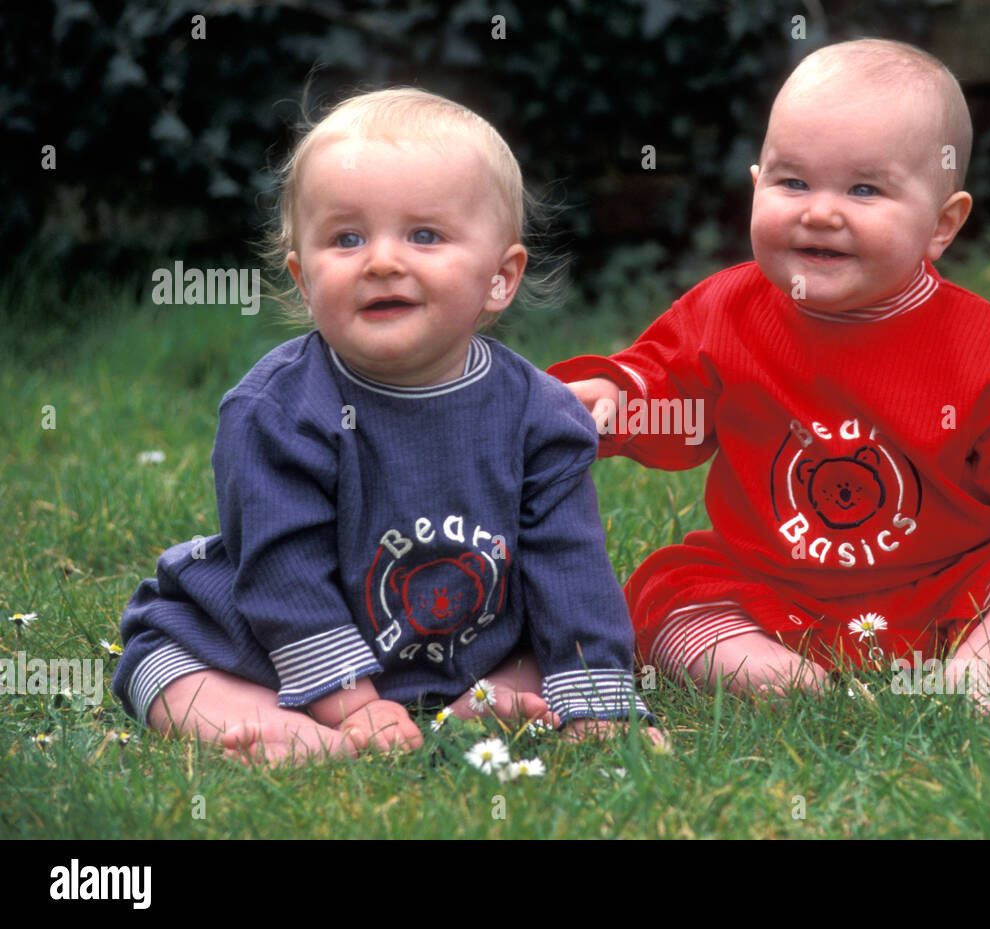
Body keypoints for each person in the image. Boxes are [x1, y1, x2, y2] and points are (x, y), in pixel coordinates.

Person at [551, 39, 990, 707]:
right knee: (673, 600)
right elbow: (670, 394)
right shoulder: (725, 311)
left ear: (942, 224)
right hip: (776, 580)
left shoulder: (985, 343)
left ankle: (973, 679)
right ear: (756, 187)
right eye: (792, 182)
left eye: (864, 188)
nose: (819, 211)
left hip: (960, 572)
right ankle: (792, 685)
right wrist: (615, 399)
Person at [112, 88, 655, 764]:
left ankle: (470, 702)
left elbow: (569, 567)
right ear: (304, 278)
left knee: (543, 661)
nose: (382, 260)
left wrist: (597, 702)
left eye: (424, 235)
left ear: (500, 277)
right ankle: (304, 736)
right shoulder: (276, 411)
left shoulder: (539, 414)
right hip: (269, 645)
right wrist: (353, 701)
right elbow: (286, 572)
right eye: (346, 238)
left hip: (462, 636)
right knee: (163, 667)